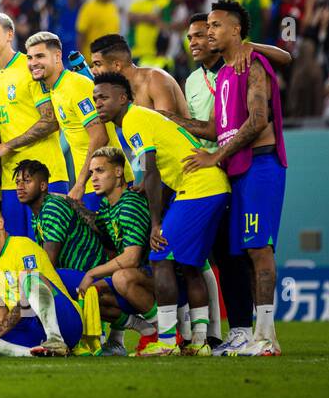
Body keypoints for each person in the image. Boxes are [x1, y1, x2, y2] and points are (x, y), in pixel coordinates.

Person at [166, 1, 288, 356]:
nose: (210, 32)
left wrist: (214, 157)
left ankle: (266, 339)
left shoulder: (252, 63)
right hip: (239, 170)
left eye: (216, 26)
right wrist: (169, 120)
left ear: (235, 30)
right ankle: (255, 334)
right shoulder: (222, 77)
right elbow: (219, 128)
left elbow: (258, 119)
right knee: (244, 252)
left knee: (259, 249)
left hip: (260, 166)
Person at [92, 72, 230, 356]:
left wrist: (156, 224)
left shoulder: (133, 120)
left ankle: (166, 342)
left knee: (160, 256)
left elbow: (152, 171)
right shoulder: (134, 120)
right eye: (95, 99)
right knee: (190, 266)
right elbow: (162, 172)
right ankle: (199, 342)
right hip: (206, 186)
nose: (98, 103)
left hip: (199, 188)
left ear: (123, 98)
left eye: (104, 97)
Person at [0, 12, 69, 236]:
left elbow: (50, 120)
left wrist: (7, 146)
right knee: (21, 253)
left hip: (47, 176)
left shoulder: (31, 68)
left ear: (9, 35)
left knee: (52, 253)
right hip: (12, 183)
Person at [0, 203, 85, 357]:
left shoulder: (22, 246)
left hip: (65, 321)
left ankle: (55, 340)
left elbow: (26, 301)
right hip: (32, 326)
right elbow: (2, 307)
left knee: (30, 278)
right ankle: (36, 353)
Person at [25, 30, 128, 207]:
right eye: (30, 57)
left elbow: (99, 137)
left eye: (40, 56)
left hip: (109, 184)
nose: (33, 63)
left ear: (57, 56)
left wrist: (79, 183)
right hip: (94, 185)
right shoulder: (55, 89)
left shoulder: (76, 85)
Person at [75, 147, 159, 356]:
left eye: (100, 171)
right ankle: (143, 329)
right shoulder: (106, 206)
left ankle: (165, 332)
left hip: (162, 279)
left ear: (119, 172)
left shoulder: (130, 203)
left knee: (121, 277)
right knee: (90, 292)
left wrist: (92, 273)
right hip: (139, 279)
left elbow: (132, 258)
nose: (93, 178)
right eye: (92, 172)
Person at [14, 159, 106, 280]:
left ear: (43, 186)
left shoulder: (52, 207)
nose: (20, 187)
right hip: (72, 274)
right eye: (17, 182)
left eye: (27, 181)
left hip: (90, 276)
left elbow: (48, 264)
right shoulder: (36, 213)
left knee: (32, 282)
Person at [89, 33, 188, 115]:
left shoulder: (155, 79)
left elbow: (166, 128)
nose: (93, 71)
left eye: (98, 64)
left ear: (117, 65)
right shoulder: (118, 94)